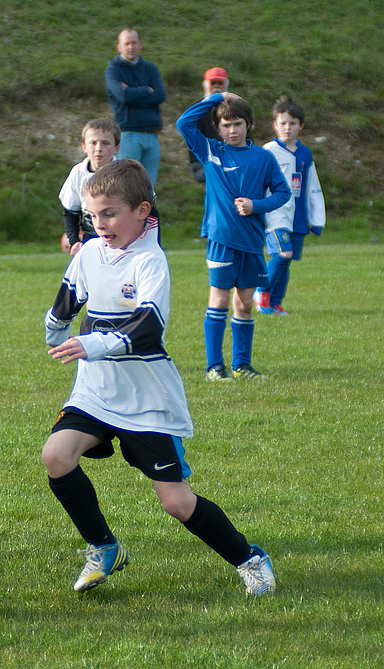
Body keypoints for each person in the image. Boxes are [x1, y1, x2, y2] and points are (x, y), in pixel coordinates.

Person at [41, 159, 276, 596]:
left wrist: (92, 344)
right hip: (95, 393)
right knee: (56, 456)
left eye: (109, 213)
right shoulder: (91, 251)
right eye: (92, 215)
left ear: (142, 211)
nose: (99, 223)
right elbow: (72, 292)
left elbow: (147, 328)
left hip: (145, 400)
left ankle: (250, 559)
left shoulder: (151, 261)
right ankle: (104, 547)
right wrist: (55, 323)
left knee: (176, 502)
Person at [176, 92, 291, 380]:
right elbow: (183, 123)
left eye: (238, 124)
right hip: (221, 239)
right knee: (220, 300)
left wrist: (257, 206)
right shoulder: (211, 151)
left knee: (245, 303)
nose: (232, 131)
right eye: (226, 125)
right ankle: (214, 367)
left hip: (251, 241)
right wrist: (216, 97)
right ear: (218, 128)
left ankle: (242, 366)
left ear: (248, 125)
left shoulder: (263, 158)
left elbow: (283, 193)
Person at [255, 96, 326, 316]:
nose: (288, 127)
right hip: (274, 214)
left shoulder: (305, 154)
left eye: (293, 123)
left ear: (301, 126)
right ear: (274, 125)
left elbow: (312, 186)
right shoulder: (267, 152)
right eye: (283, 123)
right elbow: (255, 182)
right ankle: (260, 290)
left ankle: (275, 304)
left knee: (288, 260)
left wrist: (317, 218)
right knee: (283, 254)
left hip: (297, 216)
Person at [105, 29, 166, 187]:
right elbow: (122, 96)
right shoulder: (113, 70)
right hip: (128, 135)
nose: (130, 47)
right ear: (119, 47)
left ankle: (147, 213)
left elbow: (160, 96)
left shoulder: (151, 68)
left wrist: (132, 93)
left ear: (141, 45)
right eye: (126, 43)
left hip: (152, 135)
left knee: (148, 188)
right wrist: (146, 90)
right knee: (128, 187)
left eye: (134, 42)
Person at [59, 118, 121, 256]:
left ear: (117, 148)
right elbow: (70, 212)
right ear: (84, 147)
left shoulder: (127, 173)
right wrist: (75, 241)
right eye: (93, 143)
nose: (98, 148)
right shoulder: (78, 173)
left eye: (105, 143)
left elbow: (148, 211)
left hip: (121, 245)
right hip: (91, 243)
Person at [187, 67, 230, 183]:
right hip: (203, 163)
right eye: (212, 83)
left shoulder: (235, 107)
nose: (216, 86)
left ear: (226, 85)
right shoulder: (196, 110)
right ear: (205, 85)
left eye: (220, 83)